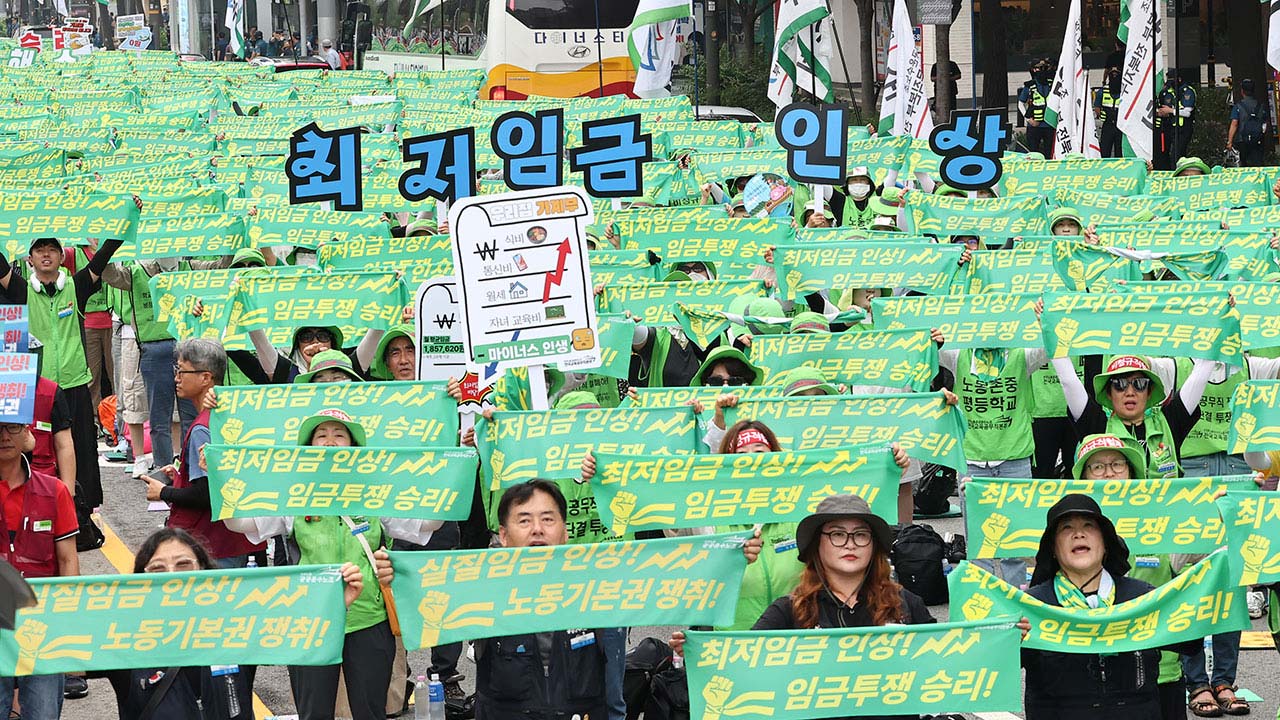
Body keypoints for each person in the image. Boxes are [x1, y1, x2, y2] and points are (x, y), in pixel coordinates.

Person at [226, 409, 443, 720]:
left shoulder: (375, 493)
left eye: (339, 435)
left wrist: (450, 474)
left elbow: (428, 523)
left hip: (369, 619)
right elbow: (240, 523)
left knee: (370, 711)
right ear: (309, 449)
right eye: (321, 435)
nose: (330, 443)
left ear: (353, 448)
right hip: (310, 622)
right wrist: (220, 476)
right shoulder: (292, 496)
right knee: (314, 712)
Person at [669, 493, 935, 720]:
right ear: (815, 545)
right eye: (837, 534)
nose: (850, 543)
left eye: (861, 535)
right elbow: (740, 661)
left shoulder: (905, 604)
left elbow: (942, 662)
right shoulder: (788, 610)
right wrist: (699, 653)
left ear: (874, 545)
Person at [1021, 494, 1201, 720]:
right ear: (1053, 550)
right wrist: (1012, 640)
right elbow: (997, 667)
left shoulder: (1143, 597)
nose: (1079, 533)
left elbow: (1191, 641)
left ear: (1106, 544)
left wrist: (1234, 523)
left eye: (1089, 526)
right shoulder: (1032, 605)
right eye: (1067, 528)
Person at [0, 232, 129, 548]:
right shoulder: (19, 289)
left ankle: (78, 518)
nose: (46, 255)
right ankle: (29, 519)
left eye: (52, 251)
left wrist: (125, 224)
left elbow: (101, 259)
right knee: (35, 452)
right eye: (39, 251)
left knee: (82, 452)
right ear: (30, 259)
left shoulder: (76, 285)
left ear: (62, 257)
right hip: (36, 388)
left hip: (74, 385)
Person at [146, 339, 264, 569]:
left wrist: (164, 492)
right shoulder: (229, 419)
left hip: (213, 546)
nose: (176, 378)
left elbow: (207, 494)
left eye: (182, 371)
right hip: (239, 542)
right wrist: (181, 475)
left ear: (206, 378)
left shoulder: (203, 427)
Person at [0, 423, 79, 720]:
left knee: (44, 712)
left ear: (28, 433)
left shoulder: (54, 490)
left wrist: (69, 623)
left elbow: (68, 559)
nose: (5, 436)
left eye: (12, 427)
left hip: (42, 625)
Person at [1049, 353, 1211, 479]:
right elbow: (1069, 381)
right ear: (1109, 393)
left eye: (1139, 384)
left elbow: (1200, 376)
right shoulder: (1096, 424)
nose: (1130, 392)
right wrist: (1049, 326)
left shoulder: (1170, 420)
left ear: (1150, 392)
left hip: (1162, 518)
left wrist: (1219, 319)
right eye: (1119, 385)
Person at [1154, 71, 1196, 171]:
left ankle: (1177, 176)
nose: (1170, 82)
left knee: (1177, 155)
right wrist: (1161, 112)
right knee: (1162, 154)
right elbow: (1161, 108)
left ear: (1179, 79)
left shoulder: (1187, 91)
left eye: (1172, 79)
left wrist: (1170, 111)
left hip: (1183, 129)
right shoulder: (1166, 92)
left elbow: (1187, 112)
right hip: (1168, 127)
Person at [1227, 78, 1268, 167]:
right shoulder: (1261, 106)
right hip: (1258, 140)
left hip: (1242, 140)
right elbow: (1264, 124)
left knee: (1243, 165)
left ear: (1242, 91)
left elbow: (1234, 123)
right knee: (1258, 164)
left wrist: (1229, 141)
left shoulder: (1238, 106)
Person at [1019, 59, 1054, 157]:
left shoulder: (1053, 84)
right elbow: (1020, 103)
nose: (1043, 70)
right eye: (1039, 68)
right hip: (1034, 125)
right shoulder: (1030, 85)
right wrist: (1028, 120)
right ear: (1033, 70)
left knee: (1050, 154)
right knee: (1033, 154)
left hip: (1050, 125)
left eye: (1045, 67)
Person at [1094, 64, 1123, 158]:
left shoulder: (1125, 91)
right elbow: (1097, 107)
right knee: (1105, 151)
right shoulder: (1102, 91)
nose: (1114, 77)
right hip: (1108, 125)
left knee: (1120, 152)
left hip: (1121, 126)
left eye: (1116, 75)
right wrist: (1102, 115)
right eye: (1112, 75)